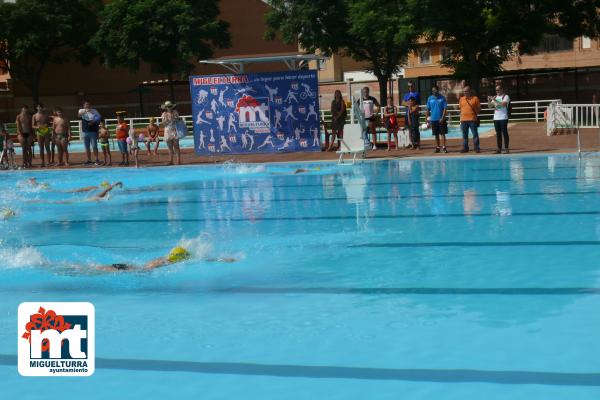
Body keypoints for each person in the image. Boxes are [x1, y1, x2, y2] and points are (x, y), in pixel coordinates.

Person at [91, 245, 236, 273]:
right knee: (102, 270)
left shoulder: (166, 258)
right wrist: (222, 260)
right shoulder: (167, 262)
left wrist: (221, 259)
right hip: (136, 270)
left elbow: (198, 258)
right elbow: (200, 259)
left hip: (134, 266)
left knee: (100, 268)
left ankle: (92, 267)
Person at [458, 85, 481, 153]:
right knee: (464, 135)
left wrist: (475, 112)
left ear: (470, 91)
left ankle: (476, 148)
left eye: (467, 91)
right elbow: (461, 108)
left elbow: (479, 108)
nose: (465, 93)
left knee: (475, 134)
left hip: (472, 119)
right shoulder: (461, 99)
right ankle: (465, 148)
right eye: (464, 91)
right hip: (463, 120)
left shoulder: (475, 98)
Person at [426, 85, 449, 153]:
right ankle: (438, 147)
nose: (434, 91)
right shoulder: (430, 98)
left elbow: (445, 108)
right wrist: (427, 118)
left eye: (435, 90)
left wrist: (442, 117)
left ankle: (444, 147)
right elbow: (428, 109)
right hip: (433, 119)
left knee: (442, 134)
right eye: (433, 90)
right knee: (436, 134)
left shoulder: (442, 98)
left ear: (437, 90)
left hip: (441, 119)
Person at [77, 101, 101, 165]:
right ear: (84, 105)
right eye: (86, 105)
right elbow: (78, 116)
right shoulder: (81, 110)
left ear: (90, 105)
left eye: (88, 104)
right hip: (85, 131)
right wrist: (85, 111)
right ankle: (89, 160)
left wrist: (94, 121)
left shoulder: (94, 110)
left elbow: (99, 117)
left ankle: (96, 159)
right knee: (87, 147)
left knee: (94, 146)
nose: (87, 105)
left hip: (93, 131)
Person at [489, 85, 510, 154]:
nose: (497, 91)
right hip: (496, 118)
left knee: (504, 133)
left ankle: (506, 148)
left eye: (498, 90)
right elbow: (490, 106)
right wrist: (489, 100)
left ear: (502, 89)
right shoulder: (496, 97)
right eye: (496, 90)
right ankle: (499, 149)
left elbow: (503, 104)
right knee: (498, 134)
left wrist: (494, 100)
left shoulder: (506, 96)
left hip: (503, 117)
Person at [161, 100, 181, 165]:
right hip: (167, 131)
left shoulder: (175, 112)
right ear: (166, 108)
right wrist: (165, 120)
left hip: (175, 130)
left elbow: (178, 120)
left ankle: (178, 161)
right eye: (167, 107)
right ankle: (171, 161)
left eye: (169, 106)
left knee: (176, 146)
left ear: (171, 107)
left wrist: (174, 118)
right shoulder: (164, 114)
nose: (169, 108)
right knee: (170, 147)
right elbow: (163, 124)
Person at [402, 81, 421, 148]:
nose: (410, 87)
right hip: (408, 114)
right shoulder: (406, 95)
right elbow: (402, 103)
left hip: (414, 114)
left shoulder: (417, 94)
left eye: (411, 86)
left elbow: (418, 104)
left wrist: (409, 104)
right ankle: (411, 143)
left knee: (416, 129)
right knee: (410, 129)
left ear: (414, 86)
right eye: (409, 86)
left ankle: (417, 144)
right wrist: (409, 104)